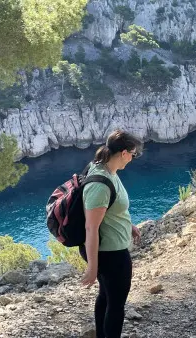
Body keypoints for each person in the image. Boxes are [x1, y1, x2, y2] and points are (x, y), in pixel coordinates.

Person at [79, 129, 143, 338]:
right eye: (133, 154)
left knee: (106, 296)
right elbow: (91, 227)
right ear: (124, 153)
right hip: (110, 253)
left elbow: (114, 209)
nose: (133, 159)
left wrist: (129, 225)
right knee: (116, 305)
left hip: (112, 249)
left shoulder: (109, 170)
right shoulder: (99, 183)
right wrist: (92, 266)